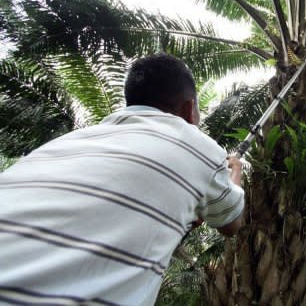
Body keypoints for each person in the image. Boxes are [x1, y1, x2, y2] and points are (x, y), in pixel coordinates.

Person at [0, 54, 245, 305]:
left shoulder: (68, 142)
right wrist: (234, 170)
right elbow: (231, 223)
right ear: (188, 109)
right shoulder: (197, 144)